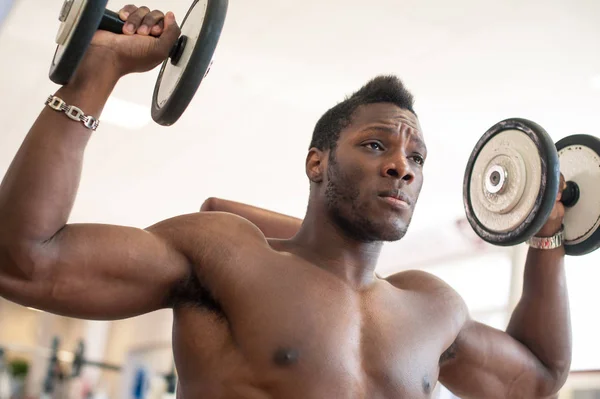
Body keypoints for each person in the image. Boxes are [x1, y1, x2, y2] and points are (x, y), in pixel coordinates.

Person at [0, 4, 572, 398]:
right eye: (376, 144)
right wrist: (95, 75)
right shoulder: (226, 255)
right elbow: (23, 260)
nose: (402, 165)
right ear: (316, 162)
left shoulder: (431, 308)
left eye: (417, 158)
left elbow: (536, 379)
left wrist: (547, 237)